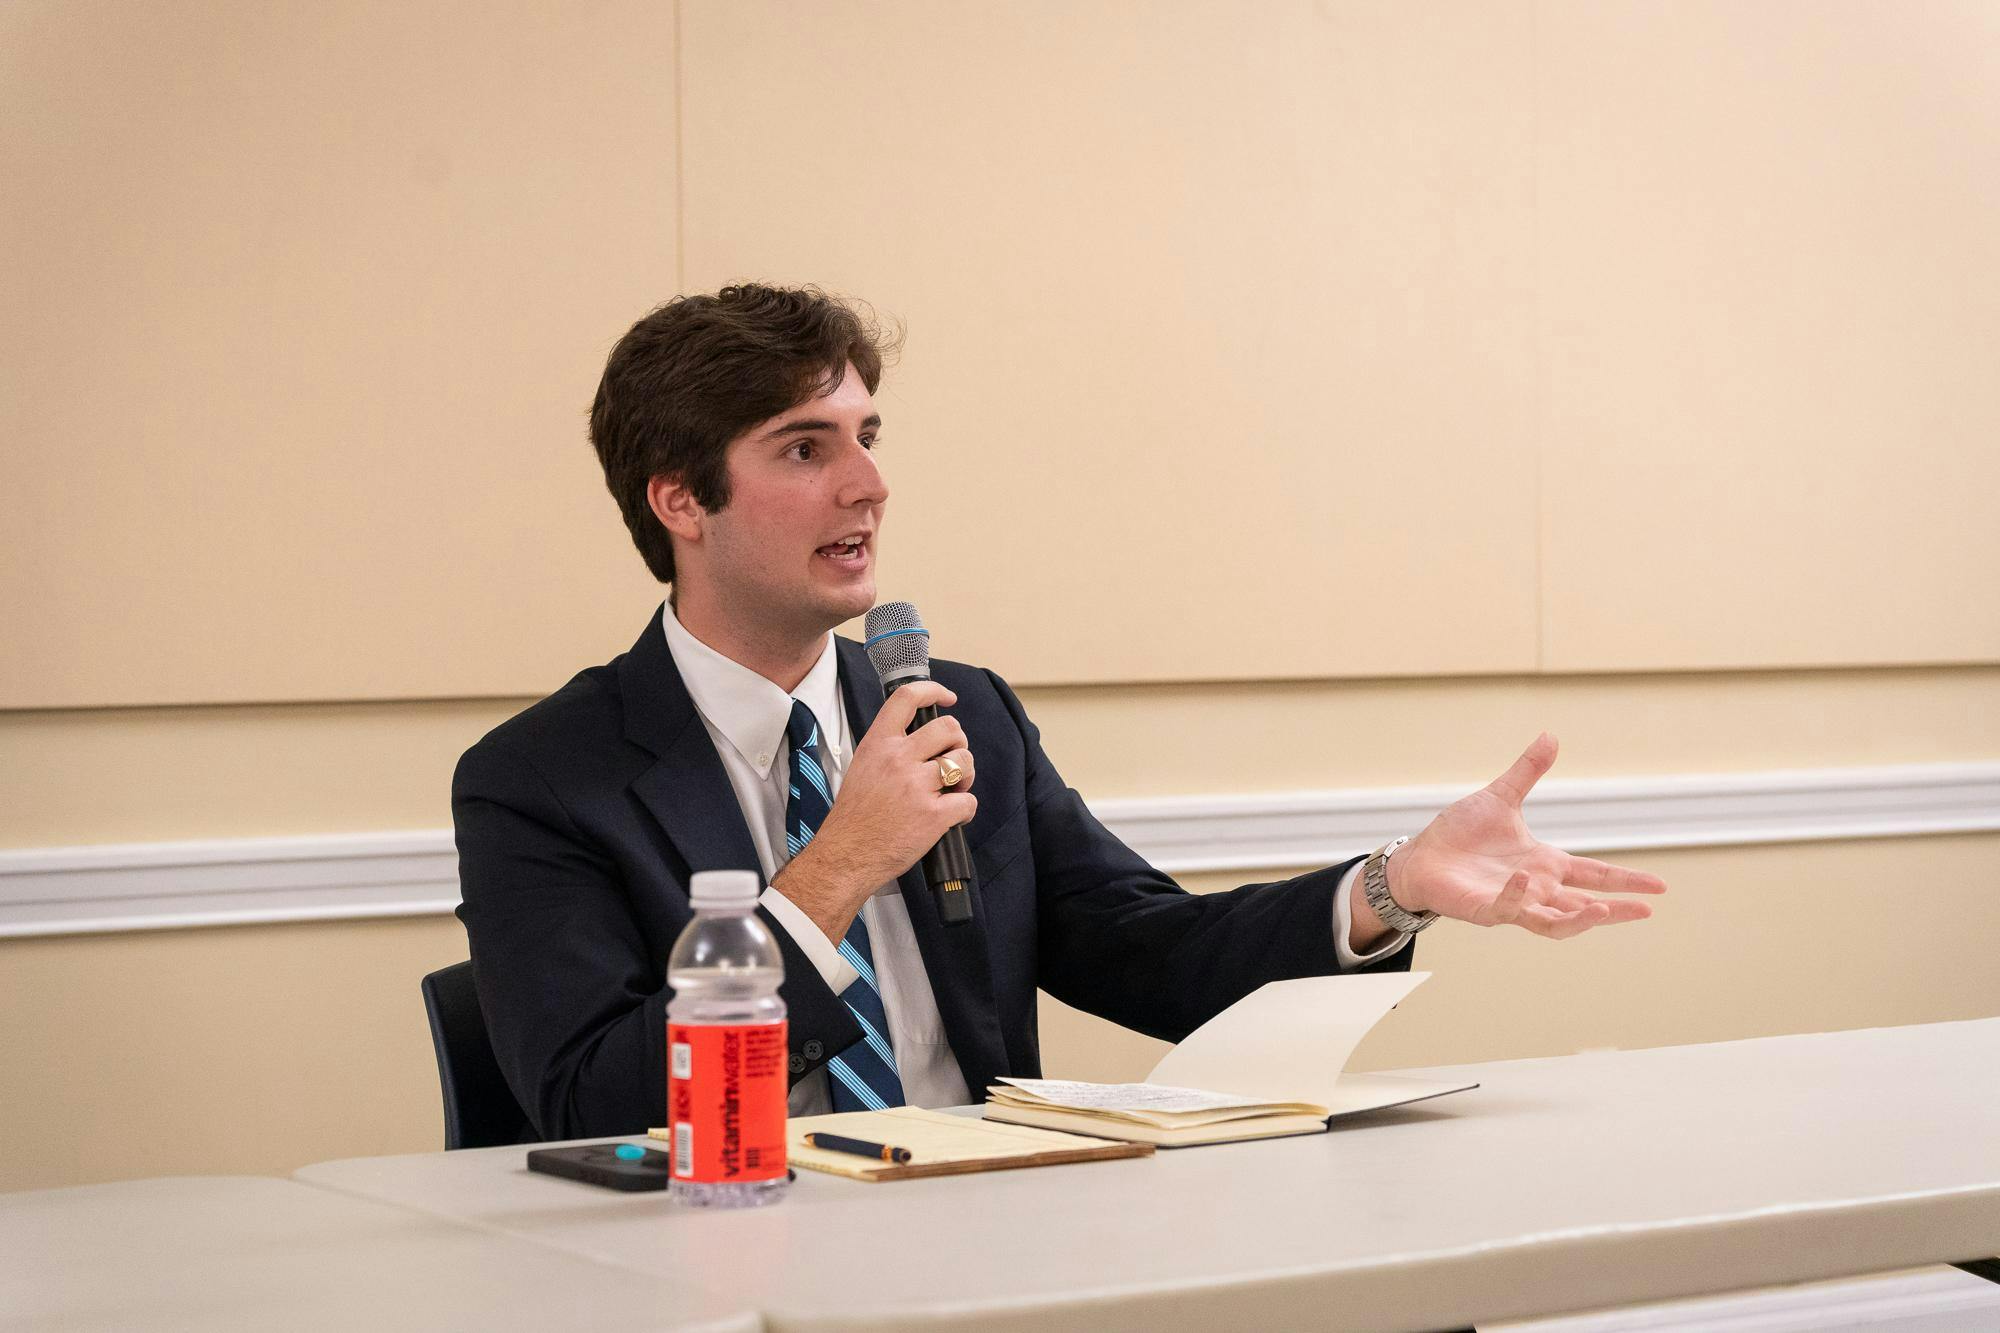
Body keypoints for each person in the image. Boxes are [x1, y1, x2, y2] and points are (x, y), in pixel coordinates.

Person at [452, 284, 1666, 1140]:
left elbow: (1156, 958)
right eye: (803, 448)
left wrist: (1391, 883)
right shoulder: (541, 779)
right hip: (728, 1257)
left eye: (868, 436)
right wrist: (835, 870)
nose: (868, 482)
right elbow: (596, 1097)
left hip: (995, 1246)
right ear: (680, 499)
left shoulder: (954, 709)